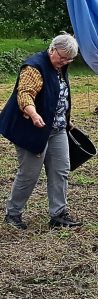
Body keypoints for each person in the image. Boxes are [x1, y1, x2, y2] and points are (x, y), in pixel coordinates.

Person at [0, 33, 81, 229]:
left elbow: (59, 95)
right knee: (29, 174)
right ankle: (13, 214)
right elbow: (25, 94)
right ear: (52, 49)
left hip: (57, 128)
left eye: (68, 59)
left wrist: (66, 119)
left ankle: (58, 214)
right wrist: (34, 114)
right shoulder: (34, 67)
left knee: (60, 170)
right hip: (31, 128)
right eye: (61, 57)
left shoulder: (61, 66)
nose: (63, 62)